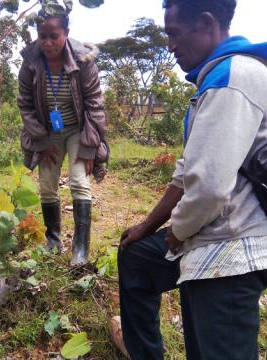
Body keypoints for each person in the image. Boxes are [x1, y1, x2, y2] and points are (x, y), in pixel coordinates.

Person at [110, 0, 267, 359]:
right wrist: (148, 225)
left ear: (207, 24)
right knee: (136, 258)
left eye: (174, 34)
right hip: (211, 234)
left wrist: (177, 233)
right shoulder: (215, 78)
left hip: (231, 248)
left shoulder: (233, 78)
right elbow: (188, 170)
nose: (170, 46)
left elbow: (209, 189)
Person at [17, 10, 108, 266]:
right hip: (49, 132)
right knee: (47, 185)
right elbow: (25, 104)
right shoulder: (31, 62)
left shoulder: (83, 61)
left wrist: (90, 148)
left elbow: (94, 106)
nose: (47, 42)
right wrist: (41, 141)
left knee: (79, 182)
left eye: (53, 36)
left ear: (66, 34)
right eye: (42, 36)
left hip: (78, 130)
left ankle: (80, 251)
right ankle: (53, 242)